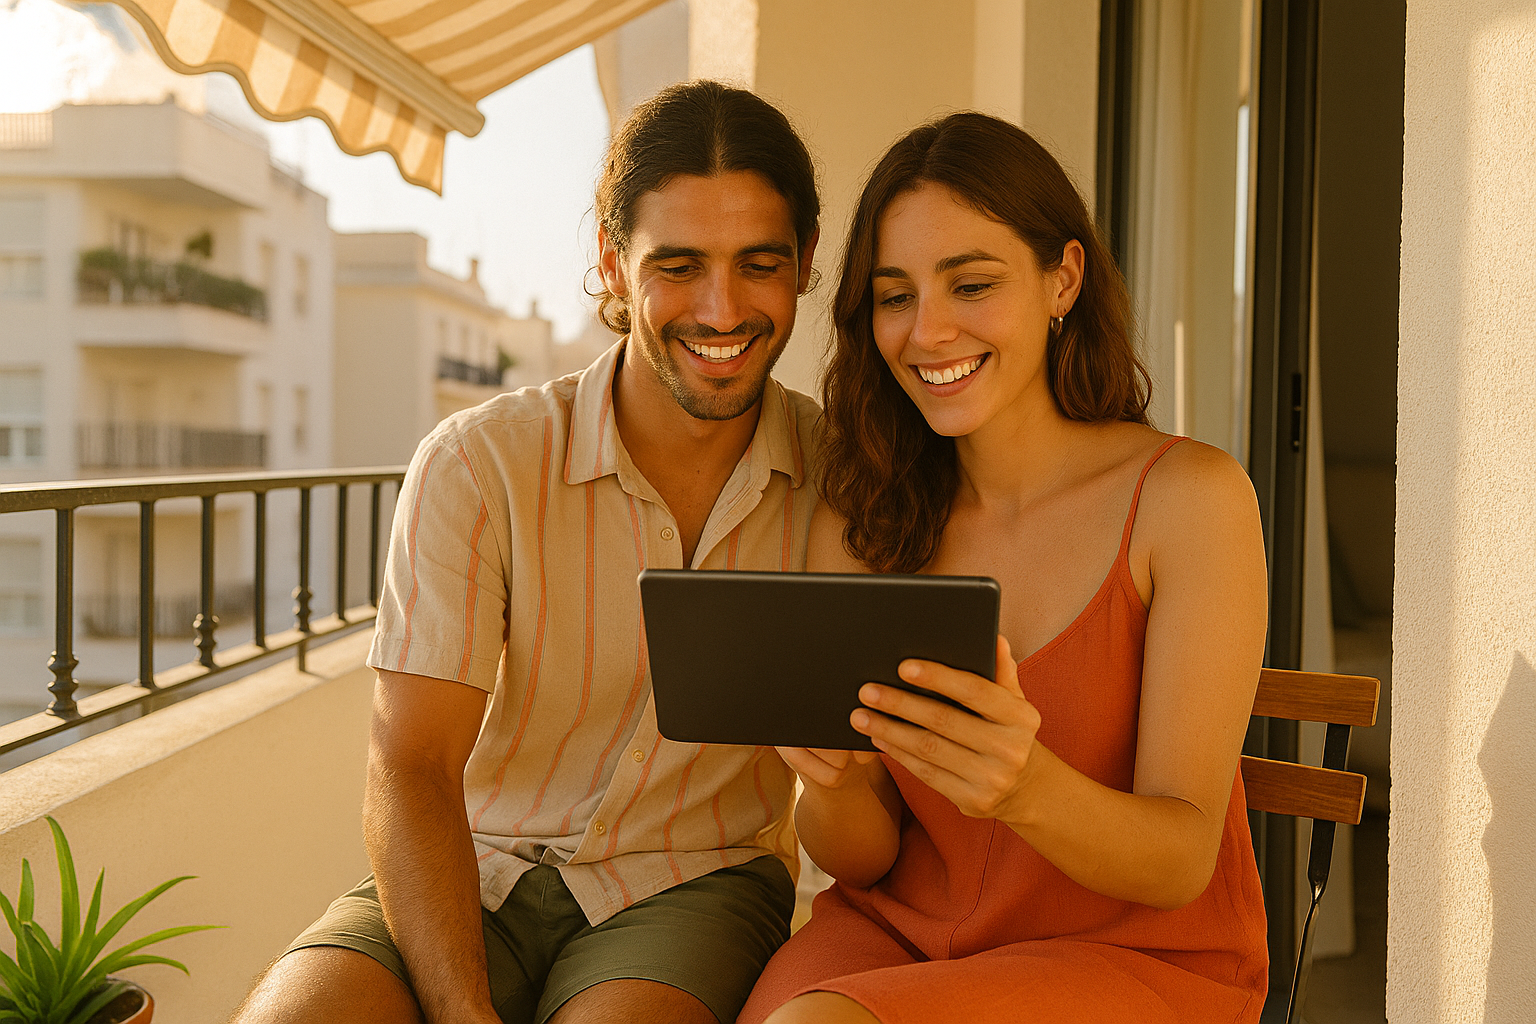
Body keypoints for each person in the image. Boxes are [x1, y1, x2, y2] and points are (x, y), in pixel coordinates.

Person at [231, 80, 821, 1024]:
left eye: (759, 263)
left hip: (696, 881)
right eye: (679, 264)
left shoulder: (842, 482)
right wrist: (461, 1011)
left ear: (803, 267)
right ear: (614, 263)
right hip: (480, 865)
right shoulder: (481, 463)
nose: (721, 308)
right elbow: (412, 762)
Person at [738, 112, 1270, 1024]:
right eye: (894, 296)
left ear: (1062, 279)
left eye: (971, 284)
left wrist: (1026, 787)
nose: (927, 331)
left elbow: (1182, 858)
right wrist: (825, 779)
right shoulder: (865, 516)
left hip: (1133, 957)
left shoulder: (1190, 500)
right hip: (902, 934)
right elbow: (862, 855)